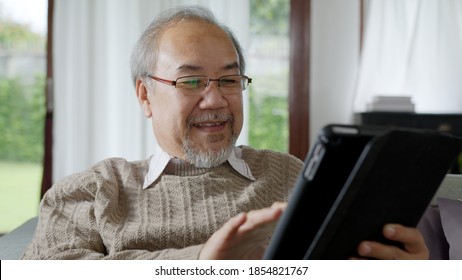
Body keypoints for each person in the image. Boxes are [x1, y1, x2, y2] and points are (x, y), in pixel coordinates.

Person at [22, 6, 429, 260]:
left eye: (229, 81)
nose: (215, 100)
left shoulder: (291, 175)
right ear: (145, 95)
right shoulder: (94, 191)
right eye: (192, 82)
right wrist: (200, 263)